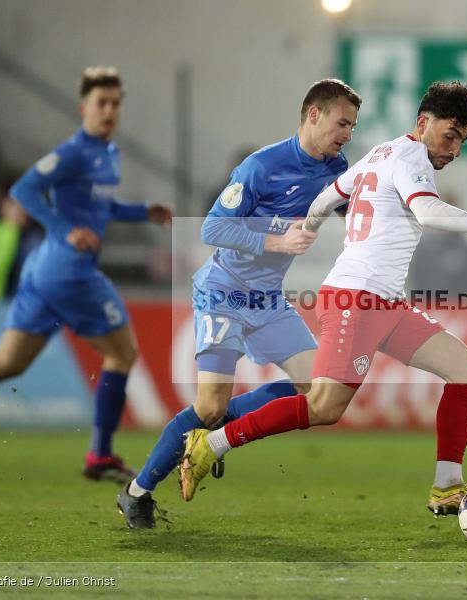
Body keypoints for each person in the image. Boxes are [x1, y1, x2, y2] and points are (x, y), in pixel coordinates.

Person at [177, 81, 467, 517]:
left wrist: (310, 227)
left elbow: (326, 197)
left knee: (466, 370)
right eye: (450, 135)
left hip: (385, 302)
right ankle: (212, 443)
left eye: (462, 140)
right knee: (323, 407)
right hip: (356, 298)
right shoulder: (412, 160)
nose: (455, 149)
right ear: (423, 123)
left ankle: (446, 485)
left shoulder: (380, 154)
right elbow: (427, 212)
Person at [0, 66, 174, 483]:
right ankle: (99, 455)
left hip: (42, 274)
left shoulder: (109, 155)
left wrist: (143, 211)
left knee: (7, 362)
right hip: (70, 275)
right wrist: (67, 230)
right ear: (84, 107)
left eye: (116, 104)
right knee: (122, 354)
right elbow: (24, 190)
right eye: (102, 103)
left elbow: (102, 208)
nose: (109, 111)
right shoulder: (72, 153)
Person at [116, 79, 361, 528]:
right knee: (208, 406)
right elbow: (210, 229)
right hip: (223, 293)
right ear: (314, 115)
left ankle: (217, 437)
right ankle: (136, 493)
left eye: (352, 126)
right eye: (342, 123)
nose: (347, 133)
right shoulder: (260, 166)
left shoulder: (336, 166)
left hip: (268, 300)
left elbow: (348, 207)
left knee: (318, 391)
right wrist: (276, 240)